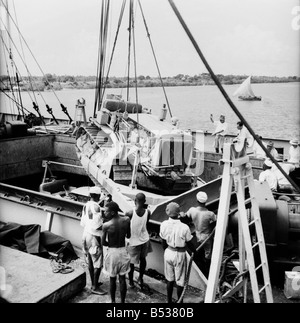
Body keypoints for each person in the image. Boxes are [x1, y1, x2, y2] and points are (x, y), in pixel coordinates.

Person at [159, 202, 196, 303]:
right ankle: (180, 302)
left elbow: (163, 241)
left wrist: (166, 251)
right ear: (178, 213)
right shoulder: (184, 227)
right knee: (180, 281)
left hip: (168, 252)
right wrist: (195, 252)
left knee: (169, 279)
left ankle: (169, 301)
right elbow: (190, 243)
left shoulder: (163, 224)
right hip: (179, 254)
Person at [102, 202, 131, 303]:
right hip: (123, 251)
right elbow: (128, 235)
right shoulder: (127, 220)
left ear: (113, 212)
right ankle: (122, 301)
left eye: (106, 212)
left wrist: (110, 242)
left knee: (112, 278)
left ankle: (113, 301)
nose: (104, 213)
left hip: (112, 252)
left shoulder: (106, 225)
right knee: (122, 278)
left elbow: (103, 242)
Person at [80, 186, 107, 295]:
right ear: (97, 196)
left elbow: (83, 223)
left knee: (90, 261)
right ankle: (95, 287)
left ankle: (93, 283)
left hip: (86, 234)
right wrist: (107, 224)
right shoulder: (96, 207)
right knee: (98, 264)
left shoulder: (85, 205)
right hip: (94, 237)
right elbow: (97, 226)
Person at [184, 191, 217, 275]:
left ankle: (200, 269)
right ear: (205, 201)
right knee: (208, 255)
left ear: (197, 200)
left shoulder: (192, 210)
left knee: (199, 252)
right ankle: (208, 272)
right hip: (207, 237)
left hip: (197, 235)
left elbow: (185, 217)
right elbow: (217, 224)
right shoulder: (210, 214)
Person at [126, 193, 152, 288]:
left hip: (133, 241)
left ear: (134, 201)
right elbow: (146, 225)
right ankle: (140, 278)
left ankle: (131, 282)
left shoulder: (129, 213)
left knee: (131, 263)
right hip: (144, 239)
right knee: (143, 259)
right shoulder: (148, 212)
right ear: (145, 201)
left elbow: (126, 227)